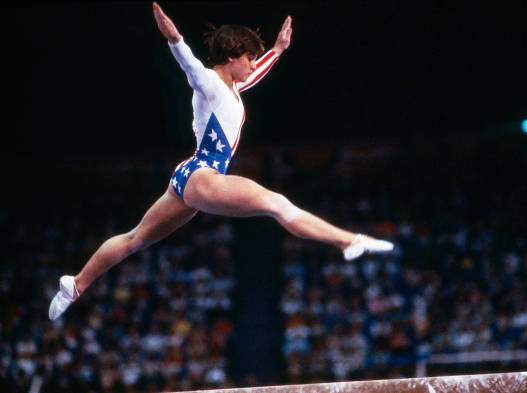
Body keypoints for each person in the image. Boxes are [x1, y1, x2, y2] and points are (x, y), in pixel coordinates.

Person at [49, 2, 394, 321]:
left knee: (135, 238)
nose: (252, 64)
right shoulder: (211, 83)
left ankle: (75, 284)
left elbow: (254, 75)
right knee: (277, 204)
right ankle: (348, 241)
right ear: (232, 56)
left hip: (189, 177)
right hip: (203, 175)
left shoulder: (230, 89)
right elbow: (191, 67)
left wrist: (277, 50)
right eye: (250, 58)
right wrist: (175, 39)